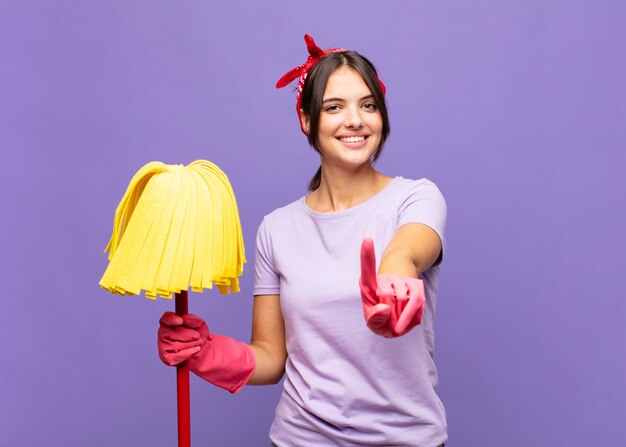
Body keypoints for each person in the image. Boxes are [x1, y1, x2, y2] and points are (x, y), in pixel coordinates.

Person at [158, 34, 448, 447]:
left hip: (407, 439)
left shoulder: (416, 197)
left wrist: (395, 276)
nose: (355, 120)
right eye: (334, 107)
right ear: (307, 121)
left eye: (368, 105)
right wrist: (204, 352)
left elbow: (410, 250)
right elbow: (271, 357)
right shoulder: (276, 229)